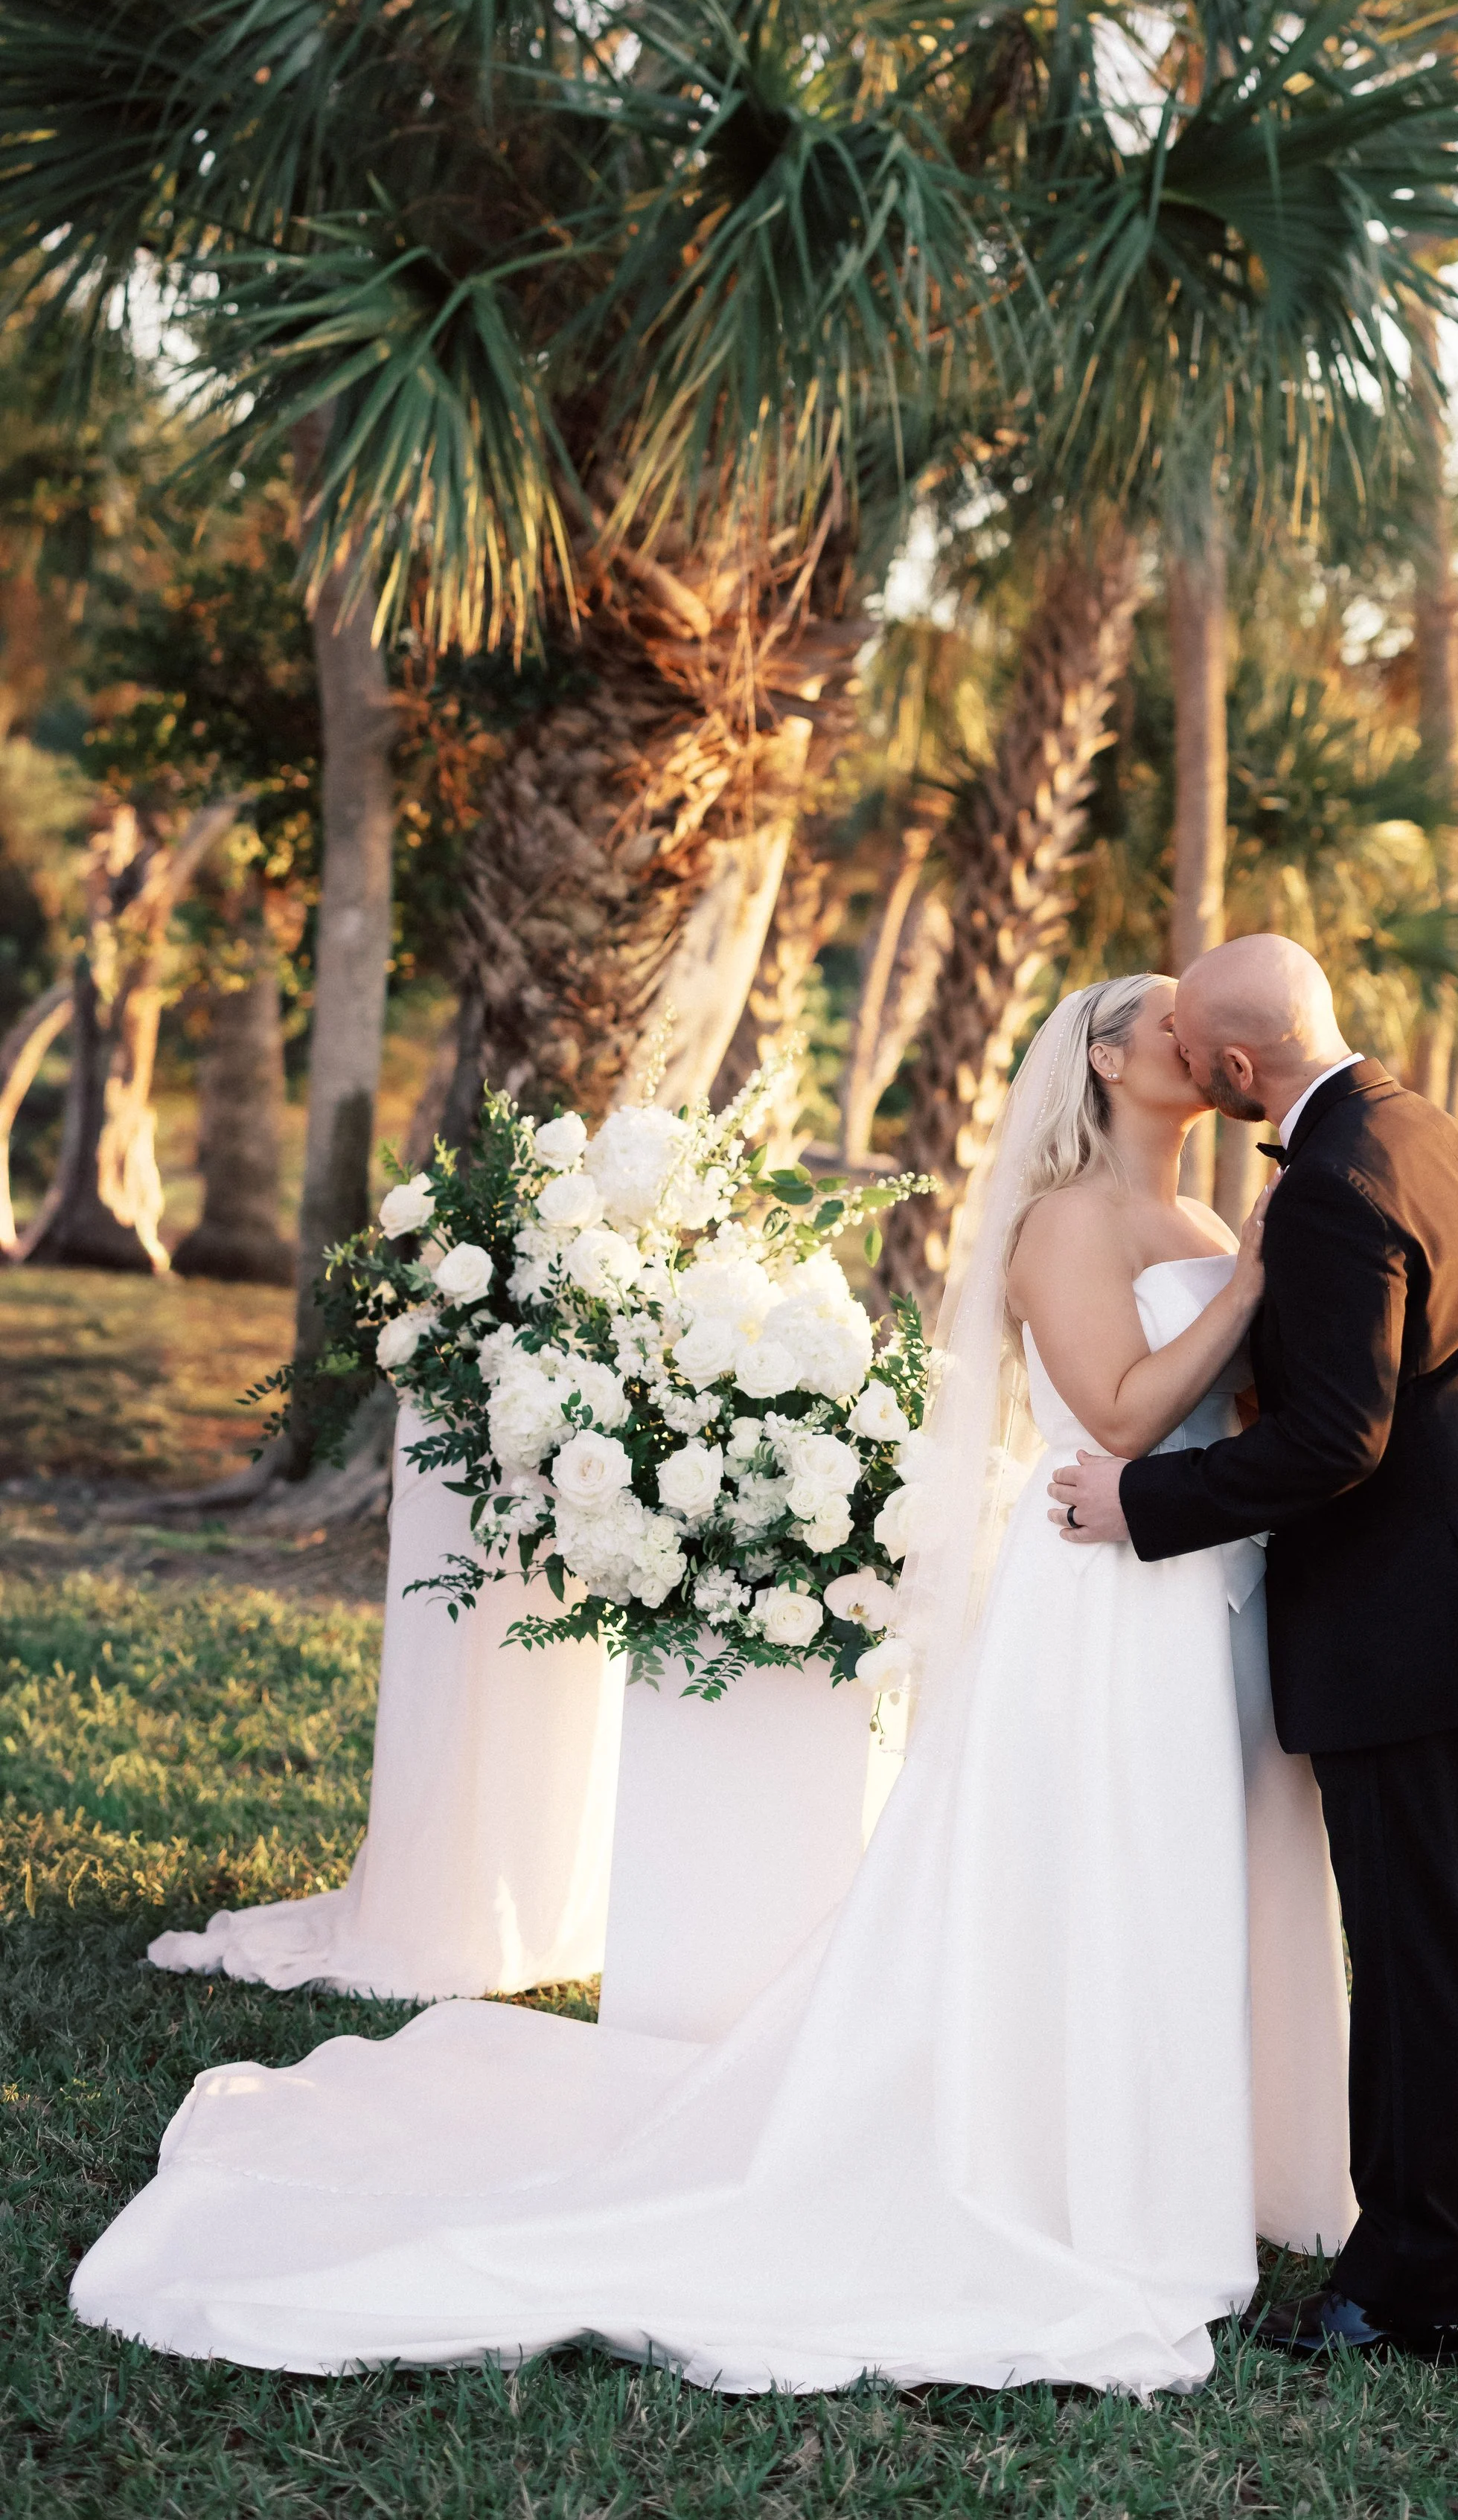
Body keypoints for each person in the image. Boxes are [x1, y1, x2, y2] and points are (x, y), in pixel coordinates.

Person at [68, 978, 1353, 2393]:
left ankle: (1191, 2147)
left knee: (1187, 1869)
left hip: (1205, 1587)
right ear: (1103, 1060)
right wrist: (1248, 1289)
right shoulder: (1068, 1223)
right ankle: (1080, 2171)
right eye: (1163, 1021)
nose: (1193, 1034)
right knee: (1106, 1869)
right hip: (1104, 1599)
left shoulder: (1201, 1220)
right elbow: (1114, 1412)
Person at [1052, 935, 1458, 2365]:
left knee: (1424, 1944)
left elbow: (1337, 1442)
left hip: (1411, 1616)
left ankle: (1413, 2286)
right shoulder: (1436, 1134)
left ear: (1237, 1070)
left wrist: (1145, 1501)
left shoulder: (1326, 1186)